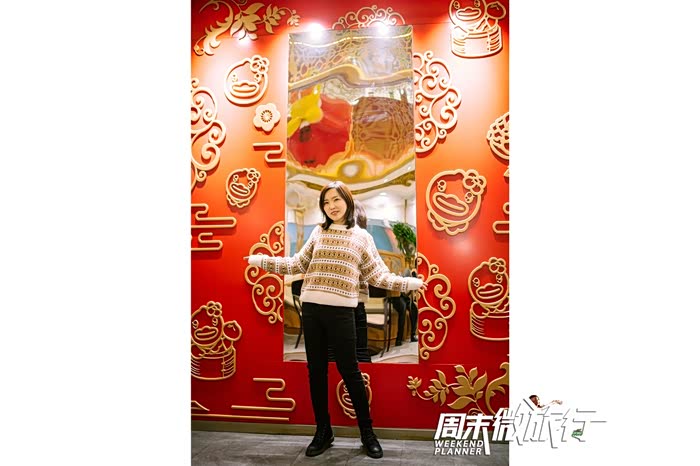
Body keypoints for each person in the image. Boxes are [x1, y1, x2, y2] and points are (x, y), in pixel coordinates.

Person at [245, 181, 425, 459]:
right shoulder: (318, 232)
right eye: (326, 202)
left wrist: (408, 283)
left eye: (336, 200)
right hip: (312, 310)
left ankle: (367, 433)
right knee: (316, 372)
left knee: (350, 371)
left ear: (348, 201)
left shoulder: (361, 237)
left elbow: (378, 275)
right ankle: (323, 431)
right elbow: (296, 264)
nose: (331, 206)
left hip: (342, 312)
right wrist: (261, 261)